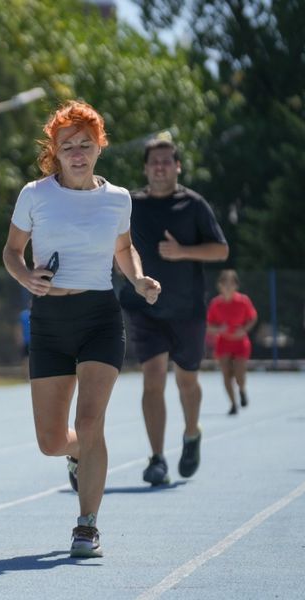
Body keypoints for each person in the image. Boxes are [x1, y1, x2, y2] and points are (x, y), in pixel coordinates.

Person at [2, 100, 161, 559]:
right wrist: (25, 277)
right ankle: (76, 454)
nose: (77, 152)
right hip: (49, 320)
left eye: (85, 144)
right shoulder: (35, 194)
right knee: (52, 441)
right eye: (67, 145)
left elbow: (125, 247)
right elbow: (12, 251)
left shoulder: (118, 198)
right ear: (55, 150)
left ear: (99, 147)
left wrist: (137, 277)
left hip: (99, 318)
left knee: (90, 422)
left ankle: (86, 525)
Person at [119, 137, 228, 486]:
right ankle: (157, 459)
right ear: (146, 168)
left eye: (167, 161)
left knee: (187, 381)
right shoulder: (129, 204)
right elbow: (114, 242)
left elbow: (220, 251)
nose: (161, 166)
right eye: (155, 162)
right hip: (143, 307)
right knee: (152, 379)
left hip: (187, 309)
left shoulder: (193, 205)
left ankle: (192, 432)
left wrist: (182, 252)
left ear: (178, 166)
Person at [207, 269, 257, 415]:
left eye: (231, 284)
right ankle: (233, 404)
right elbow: (209, 326)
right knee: (226, 374)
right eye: (225, 284)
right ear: (219, 286)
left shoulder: (243, 301)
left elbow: (253, 318)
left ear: (236, 286)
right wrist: (218, 329)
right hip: (223, 342)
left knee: (239, 373)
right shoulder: (215, 304)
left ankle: (241, 389)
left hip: (240, 342)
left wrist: (244, 330)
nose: (228, 287)